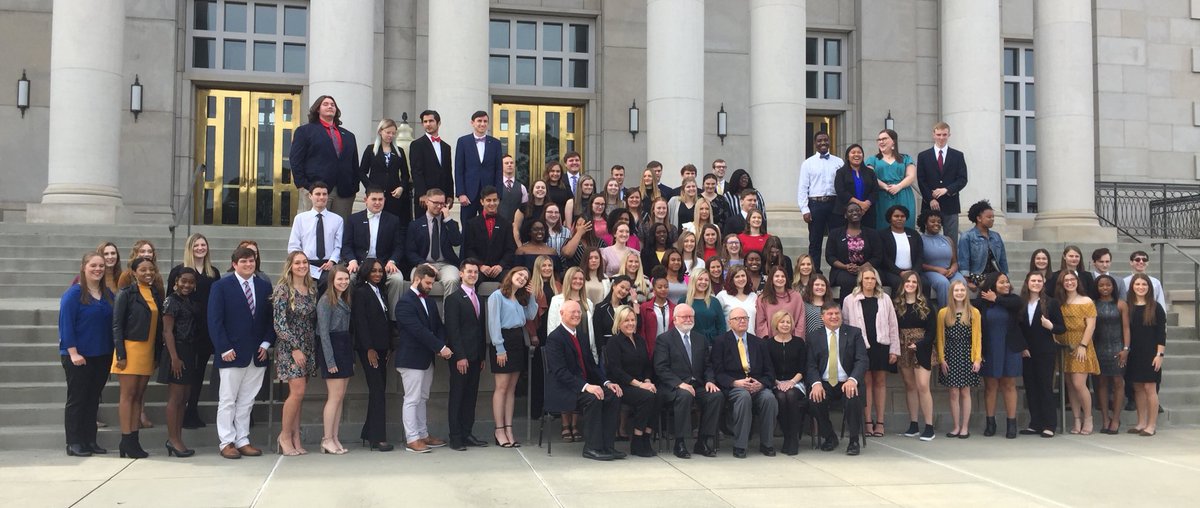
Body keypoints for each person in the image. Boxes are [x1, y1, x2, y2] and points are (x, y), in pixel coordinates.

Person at [208, 247, 275, 459]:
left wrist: (266, 344)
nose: (248, 264)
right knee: (228, 400)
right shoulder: (221, 286)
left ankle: (243, 439)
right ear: (235, 264)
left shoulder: (264, 286)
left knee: (247, 400)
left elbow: (270, 319)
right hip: (232, 353)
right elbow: (214, 320)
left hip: (257, 354)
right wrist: (224, 348)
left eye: (251, 261)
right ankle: (226, 441)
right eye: (244, 261)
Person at [545, 300, 625, 461]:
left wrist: (606, 383)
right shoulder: (555, 338)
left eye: (578, 312)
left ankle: (607, 446)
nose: (576, 315)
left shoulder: (581, 336)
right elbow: (560, 372)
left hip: (581, 386)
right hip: (564, 389)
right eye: (572, 312)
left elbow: (591, 366)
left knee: (613, 395)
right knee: (594, 398)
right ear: (561, 314)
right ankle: (592, 448)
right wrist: (586, 386)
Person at [60, 252, 115, 457]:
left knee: (93, 400)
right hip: (78, 356)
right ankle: (73, 442)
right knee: (77, 400)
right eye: (93, 266)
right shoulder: (74, 294)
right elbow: (65, 325)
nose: (98, 269)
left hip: (102, 355)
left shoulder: (108, 294)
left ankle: (90, 440)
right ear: (84, 267)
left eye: (101, 266)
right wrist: (73, 352)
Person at [394, 264, 452, 453]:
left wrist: (441, 343)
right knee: (412, 399)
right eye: (427, 283)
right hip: (411, 359)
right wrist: (441, 347)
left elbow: (438, 327)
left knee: (423, 398)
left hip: (427, 358)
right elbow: (418, 331)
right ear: (416, 279)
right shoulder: (404, 303)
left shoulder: (429, 302)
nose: (430, 287)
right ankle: (412, 439)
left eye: (432, 283)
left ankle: (423, 434)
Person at [165, 234, 221, 430]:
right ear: (190, 248)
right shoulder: (178, 271)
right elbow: (170, 301)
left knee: (198, 372)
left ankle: (192, 410)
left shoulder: (213, 272)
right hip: (184, 331)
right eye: (196, 245)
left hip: (205, 330)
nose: (200, 248)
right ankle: (181, 412)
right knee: (185, 374)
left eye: (203, 244)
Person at [653, 304, 724, 458]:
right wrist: (679, 384)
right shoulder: (664, 339)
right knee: (684, 395)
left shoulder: (700, 339)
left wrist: (710, 380)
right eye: (684, 316)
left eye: (691, 316)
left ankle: (703, 441)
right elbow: (661, 368)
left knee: (715, 396)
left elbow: (708, 365)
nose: (688, 319)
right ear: (675, 319)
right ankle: (680, 443)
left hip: (697, 385)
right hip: (673, 386)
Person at [111, 256, 162, 458]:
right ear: (133, 272)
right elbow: (116, 325)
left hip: (147, 351)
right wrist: (121, 354)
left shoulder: (155, 293)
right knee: (128, 395)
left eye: (151, 269)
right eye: (143, 270)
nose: (148, 273)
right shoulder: (126, 293)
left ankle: (134, 439)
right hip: (130, 350)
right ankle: (126, 440)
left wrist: (157, 353)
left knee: (139, 397)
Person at [710, 307, 778, 458]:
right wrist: (735, 383)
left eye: (745, 318)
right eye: (737, 319)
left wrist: (761, 384)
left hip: (757, 385)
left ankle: (767, 444)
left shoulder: (759, 343)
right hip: (735, 387)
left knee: (769, 398)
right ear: (730, 322)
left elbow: (770, 372)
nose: (742, 321)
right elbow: (718, 372)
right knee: (743, 397)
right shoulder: (720, 342)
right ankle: (740, 445)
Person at [841, 263, 899, 437]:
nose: (869, 281)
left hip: (881, 345)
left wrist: (894, 349)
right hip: (860, 347)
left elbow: (893, 324)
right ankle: (867, 421)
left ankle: (880, 421)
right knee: (865, 383)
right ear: (861, 280)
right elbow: (844, 324)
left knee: (880, 382)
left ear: (877, 281)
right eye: (866, 278)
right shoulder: (850, 299)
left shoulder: (885, 298)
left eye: (872, 278)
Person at [272, 251, 319, 456]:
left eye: (305, 262)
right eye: (297, 262)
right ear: (290, 266)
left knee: (299, 396)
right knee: (297, 393)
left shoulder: (312, 288)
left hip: (308, 345)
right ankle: (284, 436)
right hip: (290, 348)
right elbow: (279, 324)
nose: (302, 265)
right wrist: (295, 348)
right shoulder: (283, 289)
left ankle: (295, 437)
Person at [487, 265, 539, 449]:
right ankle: (499, 430)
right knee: (501, 388)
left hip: (518, 342)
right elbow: (493, 324)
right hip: (503, 342)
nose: (523, 278)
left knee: (511, 390)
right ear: (511, 275)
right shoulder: (497, 296)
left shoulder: (517, 299)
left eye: (526, 277)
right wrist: (499, 348)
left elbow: (530, 315)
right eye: (520, 274)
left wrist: (531, 296)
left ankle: (509, 429)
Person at [806, 302, 868, 455]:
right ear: (822, 317)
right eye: (830, 314)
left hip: (847, 382)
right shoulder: (814, 337)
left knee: (853, 397)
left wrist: (853, 380)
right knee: (814, 399)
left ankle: (854, 441)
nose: (834, 317)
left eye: (837, 314)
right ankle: (829, 437)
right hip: (825, 383)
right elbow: (810, 365)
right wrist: (816, 383)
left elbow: (862, 360)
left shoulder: (854, 333)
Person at [972, 272, 1024, 439]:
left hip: (1009, 348)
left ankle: (1011, 423)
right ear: (993, 284)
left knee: (1009, 384)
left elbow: (1017, 304)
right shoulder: (983, 303)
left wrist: (996, 299)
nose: (1006, 285)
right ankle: (990, 422)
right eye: (1002, 282)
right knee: (991, 386)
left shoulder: (1013, 300)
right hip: (990, 348)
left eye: (1007, 282)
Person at [289, 95, 359, 219]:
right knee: (316, 230)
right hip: (316, 189)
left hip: (344, 192)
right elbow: (296, 159)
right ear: (317, 109)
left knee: (341, 231)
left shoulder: (349, 135)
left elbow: (354, 163)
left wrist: (354, 186)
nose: (330, 106)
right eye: (325, 104)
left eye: (332, 105)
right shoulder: (305, 131)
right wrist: (303, 185)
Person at [605, 305, 662, 457]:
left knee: (658, 394)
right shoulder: (614, 343)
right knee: (648, 397)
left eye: (633, 320)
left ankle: (646, 437)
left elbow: (647, 365)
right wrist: (641, 384)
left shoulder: (640, 340)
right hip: (622, 386)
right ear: (619, 322)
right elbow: (617, 371)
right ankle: (637, 439)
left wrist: (648, 380)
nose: (630, 323)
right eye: (626, 321)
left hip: (641, 384)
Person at [443, 260, 488, 451]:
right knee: (458, 397)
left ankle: (467, 433)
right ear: (461, 274)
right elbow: (453, 330)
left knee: (471, 397)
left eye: (475, 272)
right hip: (460, 357)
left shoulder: (478, 298)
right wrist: (460, 356)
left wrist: (482, 356)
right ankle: (456, 437)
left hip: (476, 357)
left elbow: (480, 329)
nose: (473, 275)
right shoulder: (454, 298)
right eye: (469, 271)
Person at [351, 258, 394, 451]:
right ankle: (378, 438)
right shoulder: (361, 292)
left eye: (380, 271)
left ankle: (368, 432)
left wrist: (388, 347)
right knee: (377, 391)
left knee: (379, 390)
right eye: (374, 271)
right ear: (366, 272)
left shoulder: (381, 291)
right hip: (369, 350)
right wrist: (369, 349)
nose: (378, 274)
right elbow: (360, 322)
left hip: (382, 348)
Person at [1017, 271, 1066, 438]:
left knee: (1045, 387)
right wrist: (1022, 346)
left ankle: (1049, 424)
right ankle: (1035, 423)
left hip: (1045, 351)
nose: (1036, 283)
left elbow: (1061, 327)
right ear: (1027, 282)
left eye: (1039, 281)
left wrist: (1050, 325)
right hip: (1027, 351)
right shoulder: (1021, 303)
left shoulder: (1051, 303)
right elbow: (1018, 328)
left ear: (1043, 283)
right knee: (1031, 387)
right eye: (1033, 280)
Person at [158, 268, 199, 458]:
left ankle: (178, 438)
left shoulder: (190, 301)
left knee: (184, 397)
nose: (187, 285)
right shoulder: (171, 301)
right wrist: (174, 357)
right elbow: (167, 331)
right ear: (176, 281)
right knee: (175, 398)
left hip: (189, 351)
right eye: (183, 281)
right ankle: (172, 439)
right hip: (176, 351)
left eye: (191, 282)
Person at [343, 187, 406, 308]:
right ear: (366, 200)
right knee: (348, 279)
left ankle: (393, 320)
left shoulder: (393, 220)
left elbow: (399, 247)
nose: (377, 202)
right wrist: (352, 260)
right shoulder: (353, 219)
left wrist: (392, 261)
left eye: (380, 199)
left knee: (397, 279)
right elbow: (346, 245)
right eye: (374, 199)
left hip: (384, 265)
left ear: (384, 200)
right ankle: (350, 316)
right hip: (359, 264)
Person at [893, 271, 937, 441]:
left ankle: (929, 426)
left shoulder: (925, 304)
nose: (910, 284)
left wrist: (918, 344)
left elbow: (932, 331)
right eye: (908, 281)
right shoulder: (897, 304)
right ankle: (913, 424)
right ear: (903, 284)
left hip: (922, 346)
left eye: (914, 282)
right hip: (903, 346)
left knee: (923, 386)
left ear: (918, 285)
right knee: (909, 385)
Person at [1055, 271, 1099, 435]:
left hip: (1082, 345)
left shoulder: (1086, 300)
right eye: (1066, 280)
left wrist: (1082, 345)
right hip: (1065, 346)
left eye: (1072, 279)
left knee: (1079, 384)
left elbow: (1091, 326)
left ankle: (1088, 418)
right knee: (1070, 386)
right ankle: (1076, 419)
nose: (1069, 282)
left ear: (1077, 281)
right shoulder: (1059, 302)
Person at [937, 280, 982, 438]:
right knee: (954, 393)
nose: (960, 293)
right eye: (956, 291)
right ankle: (955, 426)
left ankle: (965, 427)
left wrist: (977, 359)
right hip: (950, 354)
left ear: (966, 293)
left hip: (966, 354)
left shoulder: (973, 312)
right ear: (952, 293)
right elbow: (940, 338)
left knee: (965, 391)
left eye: (962, 290)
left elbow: (977, 337)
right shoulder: (944, 312)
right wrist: (942, 359)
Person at [315, 266, 353, 455]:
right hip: (332, 348)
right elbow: (323, 333)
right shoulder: (325, 301)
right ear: (331, 280)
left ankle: (334, 437)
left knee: (340, 398)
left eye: (346, 279)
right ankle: (326, 439)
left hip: (344, 346)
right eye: (340, 279)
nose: (344, 282)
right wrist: (330, 361)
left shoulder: (344, 298)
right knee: (334, 396)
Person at [1126, 274, 1166, 436]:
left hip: (1151, 353)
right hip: (1134, 352)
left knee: (1150, 387)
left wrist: (1160, 355)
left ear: (1149, 287)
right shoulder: (1128, 307)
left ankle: (1151, 425)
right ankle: (1141, 422)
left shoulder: (1156, 307)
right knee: (1137, 387)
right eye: (1137, 284)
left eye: (1144, 284)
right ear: (1132, 286)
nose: (1141, 287)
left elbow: (1160, 334)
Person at [798, 131, 844, 269]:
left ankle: (838, 272)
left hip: (835, 204)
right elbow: (802, 188)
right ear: (815, 143)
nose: (823, 143)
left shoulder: (839, 162)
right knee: (815, 241)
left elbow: (843, 185)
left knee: (837, 240)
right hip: (815, 204)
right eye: (819, 140)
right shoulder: (808, 163)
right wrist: (804, 209)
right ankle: (815, 273)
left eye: (825, 140)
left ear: (829, 142)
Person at [916, 122, 968, 241]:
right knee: (928, 238)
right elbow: (921, 179)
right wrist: (930, 199)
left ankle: (952, 260)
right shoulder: (923, 156)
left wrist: (947, 190)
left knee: (951, 239)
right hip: (930, 205)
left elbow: (962, 179)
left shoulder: (957, 155)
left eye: (944, 135)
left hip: (951, 204)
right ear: (933, 135)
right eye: (939, 134)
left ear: (949, 135)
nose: (941, 138)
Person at [766, 310, 809, 456]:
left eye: (788, 322)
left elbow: (803, 368)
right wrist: (777, 382)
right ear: (776, 324)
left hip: (796, 382)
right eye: (782, 322)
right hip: (775, 382)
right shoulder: (768, 344)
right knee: (780, 397)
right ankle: (787, 436)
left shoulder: (799, 342)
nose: (785, 325)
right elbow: (768, 368)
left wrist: (791, 382)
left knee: (790, 395)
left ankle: (793, 439)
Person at [286, 181, 343, 291]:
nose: (321, 197)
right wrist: (302, 263)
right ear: (310, 196)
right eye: (317, 194)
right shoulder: (300, 219)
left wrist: (332, 261)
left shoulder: (337, 220)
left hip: (328, 264)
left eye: (324, 194)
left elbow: (338, 246)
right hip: (306, 263)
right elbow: (294, 246)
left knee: (327, 286)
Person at [1092, 274, 1129, 434]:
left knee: (1118, 382)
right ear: (1097, 287)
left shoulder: (1121, 304)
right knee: (1101, 383)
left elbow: (1126, 328)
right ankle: (1105, 418)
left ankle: (1115, 419)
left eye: (1108, 285)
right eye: (1101, 285)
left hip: (1117, 347)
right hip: (1099, 347)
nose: (1105, 288)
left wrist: (1126, 349)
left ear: (1113, 287)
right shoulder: (1093, 304)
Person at [405, 189, 462, 292]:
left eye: (442, 203)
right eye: (435, 203)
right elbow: (410, 251)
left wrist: (448, 218)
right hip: (423, 263)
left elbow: (456, 241)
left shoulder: (450, 223)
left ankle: (449, 308)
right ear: (427, 201)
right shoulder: (415, 225)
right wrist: (423, 264)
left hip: (446, 264)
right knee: (418, 280)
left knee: (452, 280)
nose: (439, 206)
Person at [359, 118, 412, 227]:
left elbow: (405, 174)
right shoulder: (371, 150)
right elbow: (362, 172)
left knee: (393, 224)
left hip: (394, 195)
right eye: (388, 132)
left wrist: (401, 187)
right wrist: (370, 188)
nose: (390, 135)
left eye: (393, 133)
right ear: (380, 131)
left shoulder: (399, 151)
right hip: (376, 195)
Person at [825, 203, 882, 300]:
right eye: (850, 211)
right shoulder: (835, 233)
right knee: (848, 280)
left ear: (862, 213)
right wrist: (846, 266)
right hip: (842, 270)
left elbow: (878, 256)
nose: (854, 213)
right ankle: (847, 311)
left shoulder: (872, 233)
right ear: (845, 215)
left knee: (868, 278)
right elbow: (830, 256)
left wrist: (862, 268)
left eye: (857, 210)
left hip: (867, 268)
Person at [461, 186, 517, 283]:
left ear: (499, 201)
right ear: (482, 202)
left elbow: (510, 249)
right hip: (479, 269)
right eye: (488, 200)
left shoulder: (506, 224)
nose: (492, 203)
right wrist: (480, 266)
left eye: (495, 200)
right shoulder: (471, 224)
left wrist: (501, 266)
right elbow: (469, 249)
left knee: (512, 281)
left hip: (500, 269)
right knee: (470, 279)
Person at [454, 110, 503, 220]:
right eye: (479, 121)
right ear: (472, 123)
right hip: (468, 194)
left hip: (489, 195)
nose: (482, 124)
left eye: (485, 121)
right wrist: (461, 193)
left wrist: (497, 195)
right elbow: (459, 169)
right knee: (467, 227)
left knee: (489, 226)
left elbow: (499, 170)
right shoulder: (463, 142)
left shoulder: (495, 143)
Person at [866, 129, 916, 229]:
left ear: (893, 141)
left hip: (903, 194)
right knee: (882, 225)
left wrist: (898, 186)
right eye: (879, 139)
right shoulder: (872, 160)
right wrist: (885, 186)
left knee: (905, 225)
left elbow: (911, 176)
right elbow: (870, 176)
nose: (881, 141)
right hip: (882, 196)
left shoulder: (906, 158)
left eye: (884, 139)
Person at [918, 209, 965, 308]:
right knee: (943, 283)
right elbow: (920, 263)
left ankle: (961, 314)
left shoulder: (948, 240)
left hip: (950, 271)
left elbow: (955, 262)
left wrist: (952, 269)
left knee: (961, 282)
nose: (937, 224)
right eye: (932, 221)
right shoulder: (920, 240)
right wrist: (937, 269)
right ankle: (945, 315)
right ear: (925, 224)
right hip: (931, 272)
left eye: (939, 222)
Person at [409, 110, 454, 211]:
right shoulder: (417, 145)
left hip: (442, 197)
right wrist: (422, 194)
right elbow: (416, 171)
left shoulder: (446, 147)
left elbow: (448, 172)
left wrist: (450, 194)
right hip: (425, 198)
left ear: (438, 123)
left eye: (431, 121)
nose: (428, 124)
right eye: (425, 122)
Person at [958, 200, 1008, 290]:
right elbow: (963, 260)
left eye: (993, 217)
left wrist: (1005, 276)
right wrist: (967, 280)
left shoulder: (996, 236)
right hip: (976, 274)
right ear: (979, 218)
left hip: (994, 274)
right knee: (993, 285)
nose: (992, 219)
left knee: (1003, 286)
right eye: (989, 217)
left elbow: (1002, 259)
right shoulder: (967, 236)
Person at [834, 143, 879, 230]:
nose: (856, 155)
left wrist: (866, 204)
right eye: (853, 152)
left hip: (867, 212)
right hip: (845, 213)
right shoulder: (841, 172)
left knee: (867, 239)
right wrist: (860, 204)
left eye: (859, 152)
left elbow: (875, 191)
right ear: (847, 156)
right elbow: (841, 191)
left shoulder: (870, 172)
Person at [879, 205, 924, 290]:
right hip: (891, 272)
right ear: (890, 218)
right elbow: (884, 258)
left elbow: (920, 255)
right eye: (896, 216)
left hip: (913, 271)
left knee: (924, 283)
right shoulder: (882, 235)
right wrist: (900, 272)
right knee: (899, 283)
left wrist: (914, 271)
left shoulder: (914, 234)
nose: (900, 218)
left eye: (902, 216)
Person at [756, 265, 807, 339]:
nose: (780, 279)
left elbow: (801, 320)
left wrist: (797, 339)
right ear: (771, 279)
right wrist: (765, 340)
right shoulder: (763, 299)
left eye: (783, 276)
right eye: (777, 276)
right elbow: (760, 322)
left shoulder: (796, 297)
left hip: (792, 341)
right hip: (770, 342)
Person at [593, 276, 635, 353]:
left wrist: (635, 301)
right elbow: (598, 335)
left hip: (625, 350)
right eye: (622, 287)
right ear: (614, 286)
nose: (623, 291)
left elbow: (636, 327)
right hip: (608, 350)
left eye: (627, 290)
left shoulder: (626, 308)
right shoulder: (600, 308)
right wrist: (602, 353)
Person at [684, 268, 725, 343]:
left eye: (706, 280)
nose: (703, 282)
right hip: (691, 343)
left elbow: (721, 326)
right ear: (693, 280)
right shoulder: (684, 301)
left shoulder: (714, 302)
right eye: (700, 279)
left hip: (712, 344)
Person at [639, 270, 675, 354]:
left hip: (670, 350)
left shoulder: (674, 308)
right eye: (660, 287)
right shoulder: (645, 307)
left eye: (666, 287)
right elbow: (642, 331)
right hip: (652, 350)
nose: (663, 289)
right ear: (654, 289)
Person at [717, 266, 758, 336]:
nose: (741, 279)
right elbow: (718, 320)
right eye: (737, 277)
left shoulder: (753, 296)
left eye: (743, 276)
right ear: (731, 279)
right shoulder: (722, 296)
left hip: (751, 339)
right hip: (730, 340)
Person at [513, 180, 549, 246]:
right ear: (532, 190)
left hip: (546, 246)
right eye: (537, 187)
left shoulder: (550, 208)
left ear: (546, 191)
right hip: (525, 246)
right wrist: (520, 247)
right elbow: (516, 229)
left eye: (543, 188)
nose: (540, 189)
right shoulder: (523, 208)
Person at [498, 154, 528, 223]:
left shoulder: (522, 188)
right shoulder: (496, 186)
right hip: (498, 225)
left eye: (511, 163)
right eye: (506, 163)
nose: (509, 165)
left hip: (516, 226)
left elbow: (525, 209)